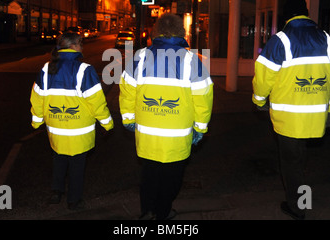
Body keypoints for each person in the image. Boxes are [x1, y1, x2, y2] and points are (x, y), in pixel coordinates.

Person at [252, 0, 330, 220]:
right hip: (315, 115)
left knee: (291, 163)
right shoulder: (326, 39)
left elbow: (264, 78)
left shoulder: (280, 41)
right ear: (305, 13)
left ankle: (298, 207)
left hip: (289, 118)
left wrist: (259, 100)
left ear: (287, 15)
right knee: (301, 160)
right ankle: (305, 200)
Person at [119, 13, 214, 220]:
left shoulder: (139, 57)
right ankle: (163, 212)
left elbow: (126, 92)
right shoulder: (192, 60)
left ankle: (147, 211)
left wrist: (128, 119)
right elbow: (203, 98)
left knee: (149, 174)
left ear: (156, 32)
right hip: (178, 135)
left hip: (147, 132)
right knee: (172, 176)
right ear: (181, 32)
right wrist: (200, 127)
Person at [30, 31, 113, 210]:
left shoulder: (46, 69)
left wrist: (37, 121)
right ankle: (74, 200)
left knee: (59, 159)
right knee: (77, 165)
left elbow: (37, 98)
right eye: (81, 44)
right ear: (75, 46)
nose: (82, 47)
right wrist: (107, 123)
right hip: (79, 130)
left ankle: (56, 192)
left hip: (56, 128)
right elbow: (97, 102)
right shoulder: (85, 70)